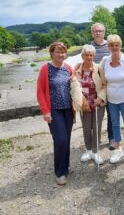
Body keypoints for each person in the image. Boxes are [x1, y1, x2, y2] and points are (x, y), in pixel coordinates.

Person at [37, 42, 75, 186]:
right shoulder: (45, 69)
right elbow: (40, 91)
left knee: (67, 139)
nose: (61, 54)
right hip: (54, 110)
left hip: (67, 110)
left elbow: (73, 87)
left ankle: (66, 167)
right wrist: (45, 111)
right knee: (60, 140)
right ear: (52, 53)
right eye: (58, 52)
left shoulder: (68, 68)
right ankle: (59, 173)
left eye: (63, 52)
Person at [101, 34, 124, 166]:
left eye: (116, 45)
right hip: (111, 99)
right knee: (115, 124)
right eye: (111, 45)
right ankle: (118, 149)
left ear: (120, 45)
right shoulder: (105, 60)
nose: (114, 47)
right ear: (108, 47)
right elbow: (97, 73)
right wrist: (78, 69)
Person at [70, 44, 106, 165]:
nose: (89, 57)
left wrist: (100, 98)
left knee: (96, 127)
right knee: (86, 128)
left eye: (91, 55)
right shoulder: (77, 68)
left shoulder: (98, 68)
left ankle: (95, 151)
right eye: (86, 55)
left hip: (97, 103)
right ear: (82, 55)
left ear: (93, 56)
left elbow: (105, 85)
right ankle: (88, 150)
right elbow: (73, 85)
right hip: (84, 103)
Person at [91, 22, 115, 150]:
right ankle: (96, 140)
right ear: (92, 33)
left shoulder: (110, 46)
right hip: (95, 86)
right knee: (97, 115)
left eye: (100, 31)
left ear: (104, 32)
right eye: (95, 31)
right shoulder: (89, 47)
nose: (98, 33)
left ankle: (112, 138)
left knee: (112, 113)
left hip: (110, 84)